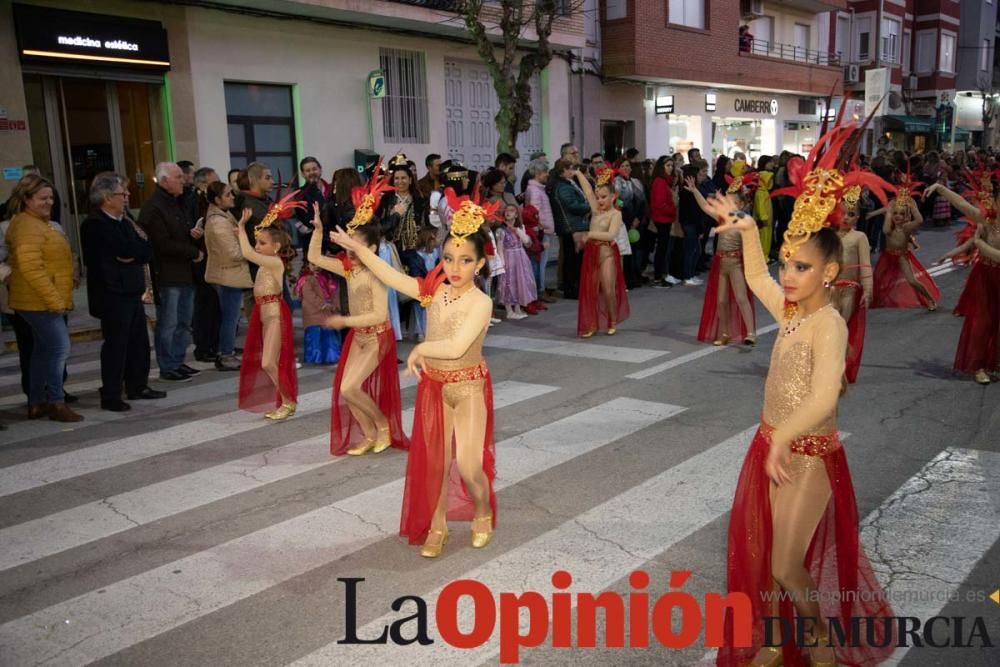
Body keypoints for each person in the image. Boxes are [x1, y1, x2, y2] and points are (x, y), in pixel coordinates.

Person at [703, 124, 895, 667]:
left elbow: (823, 397)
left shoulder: (828, 324)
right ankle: (770, 640)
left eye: (801, 266)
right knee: (765, 558)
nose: (788, 274)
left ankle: (816, 643)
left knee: (788, 564)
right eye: (788, 261)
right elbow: (760, 275)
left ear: (829, 272)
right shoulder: (788, 313)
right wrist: (742, 226)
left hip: (808, 457)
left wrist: (786, 436)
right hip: (772, 447)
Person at [330, 189, 497, 559]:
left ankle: (482, 510)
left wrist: (421, 347)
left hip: (467, 388)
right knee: (434, 465)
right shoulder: (433, 291)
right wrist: (358, 250)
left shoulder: (481, 303)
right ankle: (437, 525)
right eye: (449, 258)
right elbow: (391, 276)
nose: (454, 267)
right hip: (435, 388)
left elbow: (455, 347)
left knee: (470, 466)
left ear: (480, 265)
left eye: (465, 260)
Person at [308, 168, 408, 456]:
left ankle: (384, 428)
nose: (349, 249)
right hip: (358, 336)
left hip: (377, 336)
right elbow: (314, 257)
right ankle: (368, 433)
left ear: (372, 248)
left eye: (356, 244)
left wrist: (344, 320)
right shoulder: (347, 269)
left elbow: (378, 316)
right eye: (348, 242)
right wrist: (317, 230)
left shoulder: (378, 274)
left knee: (350, 387)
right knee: (346, 389)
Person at [80, 173, 164, 411]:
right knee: (116, 346)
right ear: (107, 197)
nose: (127, 197)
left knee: (139, 342)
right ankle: (111, 393)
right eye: (122, 194)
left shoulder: (125, 220)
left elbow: (146, 248)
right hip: (111, 293)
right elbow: (120, 250)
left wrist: (132, 254)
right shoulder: (95, 224)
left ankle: (138, 385)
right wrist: (130, 253)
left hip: (131, 289)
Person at [6, 175, 82, 422]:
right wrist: (55, 301)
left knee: (41, 351)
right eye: (42, 198)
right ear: (27, 199)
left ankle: (37, 402)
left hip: (37, 299)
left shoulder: (37, 222)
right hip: (38, 300)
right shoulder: (28, 226)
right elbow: (31, 269)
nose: (49, 202)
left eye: (51, 197)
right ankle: (56, 403)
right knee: (60, 348)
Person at [927, 178, 1000, 384]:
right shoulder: (986, 221)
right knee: (982, 322)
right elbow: (961, 204)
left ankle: (996, 363)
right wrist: (940, 187)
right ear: (994, 202)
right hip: (985, 276)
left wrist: (979, 244)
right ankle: (979, 366)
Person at [235, 194, 299, 420]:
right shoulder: (265, 264)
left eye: (262, 243)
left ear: (277, 246)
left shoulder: (274, 262)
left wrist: (241, 227)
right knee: (270, 361)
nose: (258, 247)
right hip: (264, 315)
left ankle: (289, 401)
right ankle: (286, 400)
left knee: (268, 361)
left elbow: (247, 253)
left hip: (274, 316)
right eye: (257, 242)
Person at [139, 162, 202, 383]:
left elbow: (178, 232)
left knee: (184, 321)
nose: (183, 180)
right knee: (169, 322)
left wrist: (192, 233)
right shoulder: (154, 207)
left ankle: (177, 360)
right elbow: (161, 243)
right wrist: (193, 251)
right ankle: (167, 365)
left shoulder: (177, 202)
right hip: (167, 274)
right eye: (178, 177)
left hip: (185, 272)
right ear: (164, 180)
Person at [684, 174, 756, 346]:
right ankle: (725, 332)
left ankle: (751, 332)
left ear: (741, 205)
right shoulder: (722, 218)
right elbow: (704, 206)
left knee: (741, 297)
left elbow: (753, 248)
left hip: (736, 263)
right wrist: (695, 191)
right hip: (720, 263)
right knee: (721, 300)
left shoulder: (746, 223)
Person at [203, 181, 253, 371]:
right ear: (217, 200)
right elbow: (233, 253)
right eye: (227, 194)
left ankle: (226, 350)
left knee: (231, 317)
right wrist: (251, 250)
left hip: (230, 274)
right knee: (230, 318)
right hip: (227, 275)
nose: (232, 197)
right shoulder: (218, 222)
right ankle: (226, 355)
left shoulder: (223, 215)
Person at [576, 168, 629, 337]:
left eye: (604, 197)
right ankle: (591, 324)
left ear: (613, 196)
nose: (599, 200)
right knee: (590, 289)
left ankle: (612, 320)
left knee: (608, 289)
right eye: (598, 197)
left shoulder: (615, 214)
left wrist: (589, 234)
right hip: (592, 253)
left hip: (607, 253)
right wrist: (578, 173)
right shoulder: (596, 210)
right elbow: (588, 190)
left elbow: (611, 235)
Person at [869, 190, 939, 311]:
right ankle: (870, 300)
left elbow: (920, 220)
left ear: (906, 216)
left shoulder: (906, 227)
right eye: (895, 213)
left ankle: (930, 299)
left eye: (901, 214)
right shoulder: (889, 226)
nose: (897, 216)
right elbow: (885, 230)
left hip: (902, 257)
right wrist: (885, 211)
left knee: (912, 281)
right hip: (887, 256)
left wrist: (913, 207)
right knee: (876, 279)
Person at [833, 186, 874, 384]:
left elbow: (865, 265)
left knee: (841, 329)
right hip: (829, 290)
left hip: (850, 289)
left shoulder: (859, 237)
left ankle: (838, 370)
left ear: (858, 217)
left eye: (851, 214)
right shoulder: (830, 236)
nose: (846, 218)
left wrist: (868, 289)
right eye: (842, 213)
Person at [295, 262, 341, 365]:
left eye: (318, 264)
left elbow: (335, 293)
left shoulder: (329, 277)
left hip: (327, 311)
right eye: (312, 264)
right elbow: (308, 294)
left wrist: (334, 306)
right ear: (307, 264)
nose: (316, 267)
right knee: (314, 335)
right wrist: (322, 304)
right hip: (312, 311)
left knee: (328, 334)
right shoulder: (305, 279)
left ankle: (331, 356)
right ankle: (315, 358)